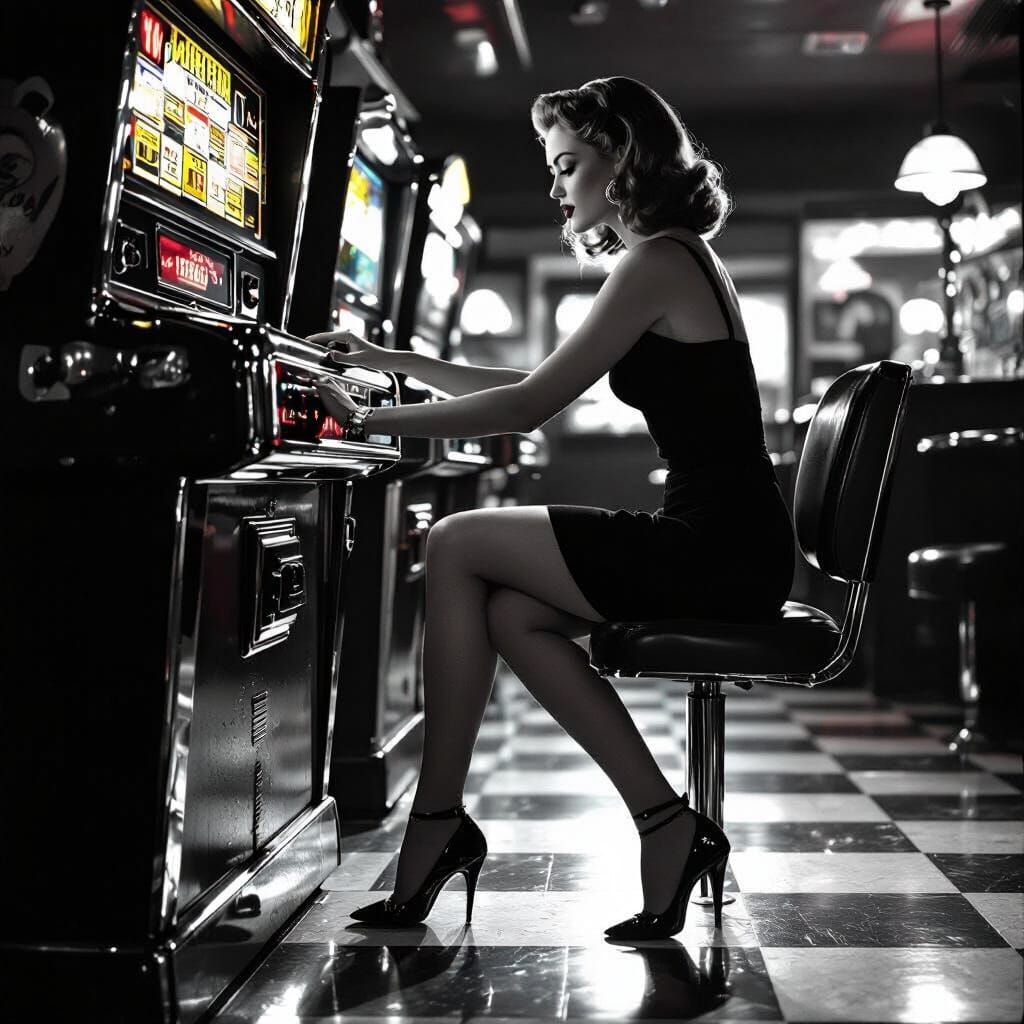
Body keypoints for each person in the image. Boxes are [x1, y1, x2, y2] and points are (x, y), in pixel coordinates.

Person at [308, 76, 795, 940]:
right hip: (727, 539)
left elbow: (528, 406)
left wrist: (369, 418)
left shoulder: (659, 259)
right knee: (512, 614)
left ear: (621, 158)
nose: (556, 186)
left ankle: (437, 822)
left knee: (456, 541)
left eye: (568, 165)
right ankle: (665, 823)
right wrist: (388, 360)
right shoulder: (669, 257)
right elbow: (536, 382)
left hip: (717, 545)